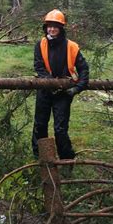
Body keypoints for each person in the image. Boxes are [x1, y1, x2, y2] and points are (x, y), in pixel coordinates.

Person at [32, 9, 89, 160]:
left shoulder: (71, 46)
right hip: (44, 90)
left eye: (55, 26)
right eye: (49, 26)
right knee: (40, 125)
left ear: (61, 28)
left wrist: (76, 89)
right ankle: (41, 157)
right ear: (45, 27)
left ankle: (66, 158)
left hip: (64, 93)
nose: (52, 29)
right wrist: (50, 83)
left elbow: (84, 69)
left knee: (60, 129)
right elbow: (39, 67)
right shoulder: (40, 45)